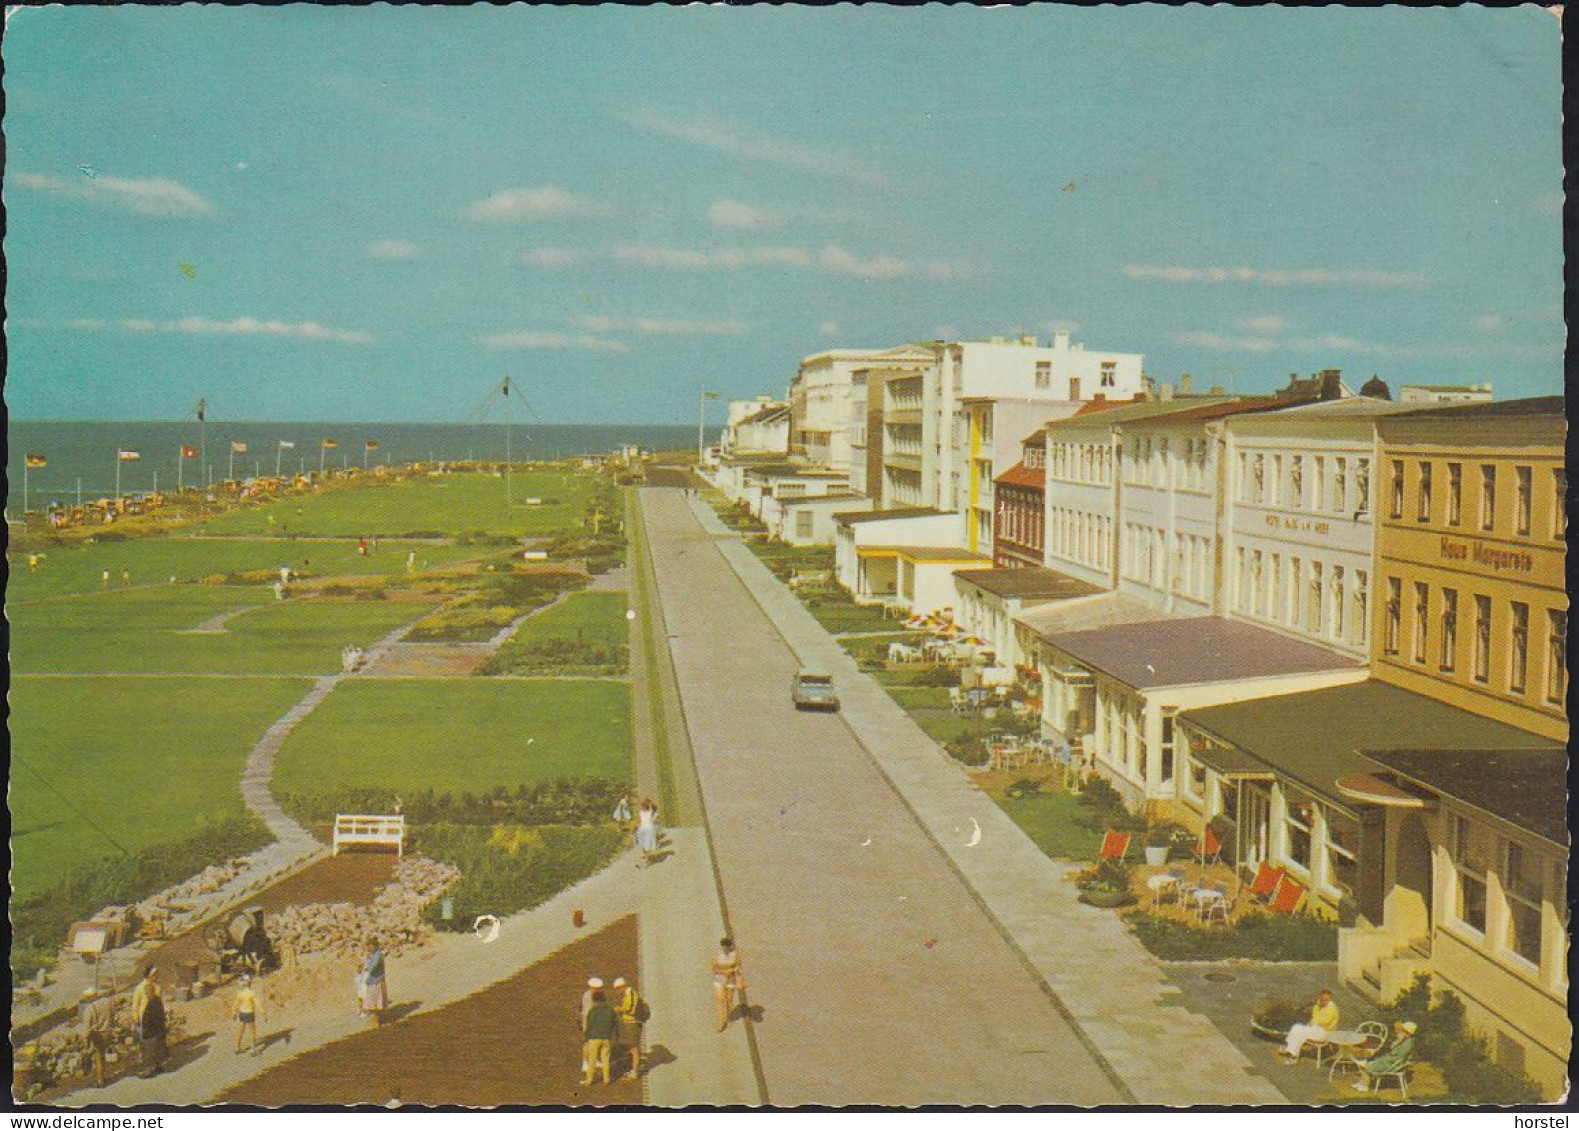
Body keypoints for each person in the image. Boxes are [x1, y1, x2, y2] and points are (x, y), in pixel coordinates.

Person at [1352, 1020, 1417, 1091]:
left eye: (1403, 1031)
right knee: (1365, 1063)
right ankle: (1362, 1082)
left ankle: (1365, 1085)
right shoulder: (1404, 1040)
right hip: (1389, 1060)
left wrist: (1397, 1043)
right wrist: (1397, 1042)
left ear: (1407, 1033)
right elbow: (1391, 1051)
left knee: (1366, 1066)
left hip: (1391, 1063)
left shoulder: (1407, 1043)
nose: (1400, 1032)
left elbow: (1397, 1056)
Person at [1281, 989, 1340, 1062]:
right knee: (1297, 1027)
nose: (1323, 1001)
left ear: (1329, 999)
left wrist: (1313, 1024)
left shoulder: (1332, 1009)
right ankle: (1290, 1049)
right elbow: (1314, 1019)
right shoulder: (1318, 1005)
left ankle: (1293, 1055)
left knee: (1301, 1032)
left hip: (1324, 1033)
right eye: (1321, 999)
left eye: (1326, 1000)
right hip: (1316, 1029)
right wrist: (1311, 1024)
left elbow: (1321, 1022)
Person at [581, 989, 617, 1086]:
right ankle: (606, 1079)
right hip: (606, 1037)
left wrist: (586, 1037)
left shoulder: (593, 1010)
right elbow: (614, 1023)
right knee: (605, 1059)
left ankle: (589, 1080)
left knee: (592, 1059)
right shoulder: (610, 1010)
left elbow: (590, 1024)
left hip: (594, 1038)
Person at [79, 987, 113, 1087]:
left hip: (97, 1034)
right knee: (102, 1056)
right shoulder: (108, 1002)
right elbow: (113, 1016)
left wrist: (85, 1042)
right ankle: (102, 1075)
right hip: (107, 1032)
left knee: (98, 1057)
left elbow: (86, 1028)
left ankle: (100, 1080)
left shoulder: (90, 1008)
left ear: (90, 997)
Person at [612, 976, 644, 1079]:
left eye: (617, 989)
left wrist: (618, 1009)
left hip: (632, 1023)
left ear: (622, 986)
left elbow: (629, 1009)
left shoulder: (630, 994)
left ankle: (634, 1071)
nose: (617, 992)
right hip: (630, 1023)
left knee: (634, 1047)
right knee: (632, 1047)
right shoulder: (629, 994)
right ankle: (633, 1069)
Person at [711, 937, 745, 1032]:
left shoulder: (735, 955)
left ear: (730, 946)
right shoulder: (717, 955)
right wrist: (724, 971)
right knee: (720, 1001)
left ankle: (728, 1017)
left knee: (729, 1000)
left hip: (731, 981)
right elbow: (713, 968)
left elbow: (739, 969)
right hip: (719, 980)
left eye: (727, 947)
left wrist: (739, 979)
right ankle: (721, 1022)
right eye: (723, 947)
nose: (725, 949)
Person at [138, 977, 169, 1077]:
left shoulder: (152, 1002)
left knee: (149, 1052)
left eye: (147, 991)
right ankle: (158, 1066)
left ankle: (148, 1070)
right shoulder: (157, 1000)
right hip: (159, 1030)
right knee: (158, 1049)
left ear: (151, 991)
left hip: (151, 1031)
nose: (146, 993)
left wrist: (145, 1029)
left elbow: (151, 1018)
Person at [357, 940, 388, 1025]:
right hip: (373, 980)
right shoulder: (374, 955)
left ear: (375, 946)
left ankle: (376, 1022)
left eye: (371, 945)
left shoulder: (377, 955)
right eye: (368, 946)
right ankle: (378, 1020)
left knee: (374, 1002)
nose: (369, 947)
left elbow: (372, 967)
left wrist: (365, 967)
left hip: (376, 981)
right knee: (375, 1002)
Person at [233, 974, 262, 1054]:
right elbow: (257, 1004)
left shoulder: (240, 993)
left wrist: (234, 1013)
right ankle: (253, 1049)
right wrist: (263, 1012)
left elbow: (236, 1004)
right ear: (249, 983)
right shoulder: (252, 993)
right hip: (249, 1012)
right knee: (252, 1031)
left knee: (241, 1030)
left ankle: (237, 1047)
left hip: (242, 1013)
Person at [635, 799, 660, 868]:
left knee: (645, 845)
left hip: (645, 829)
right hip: (646, 829)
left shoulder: (643, 812)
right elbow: (641, 821)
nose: (642, 807)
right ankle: (646, 860)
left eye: (643, 806)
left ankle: (646, 861)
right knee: (646, 846)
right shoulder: (648, 813)